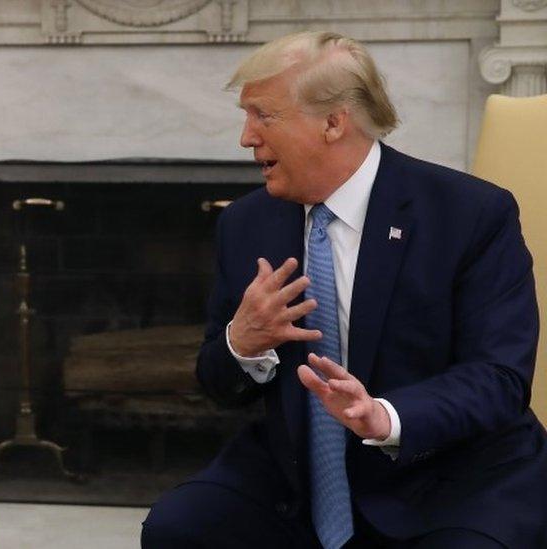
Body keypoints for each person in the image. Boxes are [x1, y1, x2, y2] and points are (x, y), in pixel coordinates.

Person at [142, 31, 547, 548]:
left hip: (449, 472)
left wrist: (385, 416)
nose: (246, 137)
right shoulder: (246, 224)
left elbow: (499, 378)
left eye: (263, 116)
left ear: (334, 122)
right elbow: (219, 386)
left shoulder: (469, 214)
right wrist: (241, 343)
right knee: (177, 528)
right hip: (297, 474)